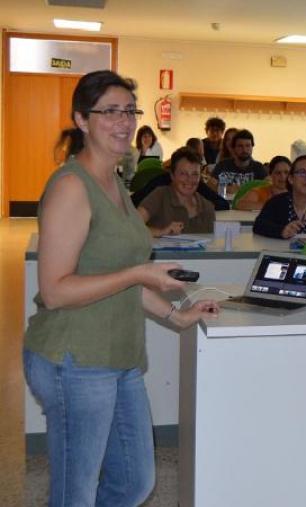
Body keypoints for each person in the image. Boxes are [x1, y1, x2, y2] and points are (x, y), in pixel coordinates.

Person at [23, 70, 219, 506]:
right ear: (81, 119)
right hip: (73, 360)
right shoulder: (72, 186)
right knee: (75, 492)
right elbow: (55, 290)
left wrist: (178, 314)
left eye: (129, 110)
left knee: (135, 482)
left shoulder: (116, 183)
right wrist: (138, 275)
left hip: (120, 356)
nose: (124, 120)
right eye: (110, 111)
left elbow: (125, 274)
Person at [253, 155, 306, 238]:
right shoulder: (276, 203)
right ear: (291, 179)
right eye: (302, 172)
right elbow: (258, 225)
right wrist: (281, 231)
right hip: (279, 251)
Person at [137, 146, 215, 236]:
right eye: (183, 174)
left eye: (195, 174)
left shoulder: (207, 208)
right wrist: (161, 232)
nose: (189, 180)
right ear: (172, 176)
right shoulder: (160, 196)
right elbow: (131, 225)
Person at [211, 128, 267, 197]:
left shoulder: (258, 167)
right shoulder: (223, 165)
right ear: (234, 148)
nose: (244, 150)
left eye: (248, 146)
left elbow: (267, 186)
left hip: (249, 206)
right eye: (240, 146)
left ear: (252, 147)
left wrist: (240, 190)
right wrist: (227, 189)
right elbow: (210, 184)